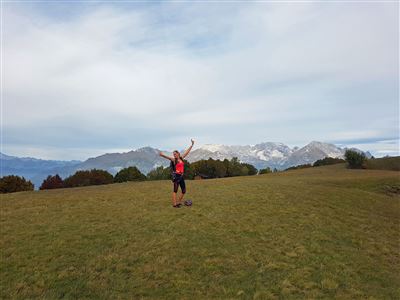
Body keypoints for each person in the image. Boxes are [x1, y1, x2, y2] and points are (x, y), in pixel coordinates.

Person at [159, 139, 195, 208]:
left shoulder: (181, 158)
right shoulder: (174, 160)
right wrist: (162, 155)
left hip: (181, 176)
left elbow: (187, 152)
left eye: (175, 154)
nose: (174, 155)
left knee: (184, 191)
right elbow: (167, 157)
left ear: (178, 154)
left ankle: (178, 202)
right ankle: (175, 204)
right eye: (173, 154)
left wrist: (192, 145)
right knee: (175, 190)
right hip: (176, 177)